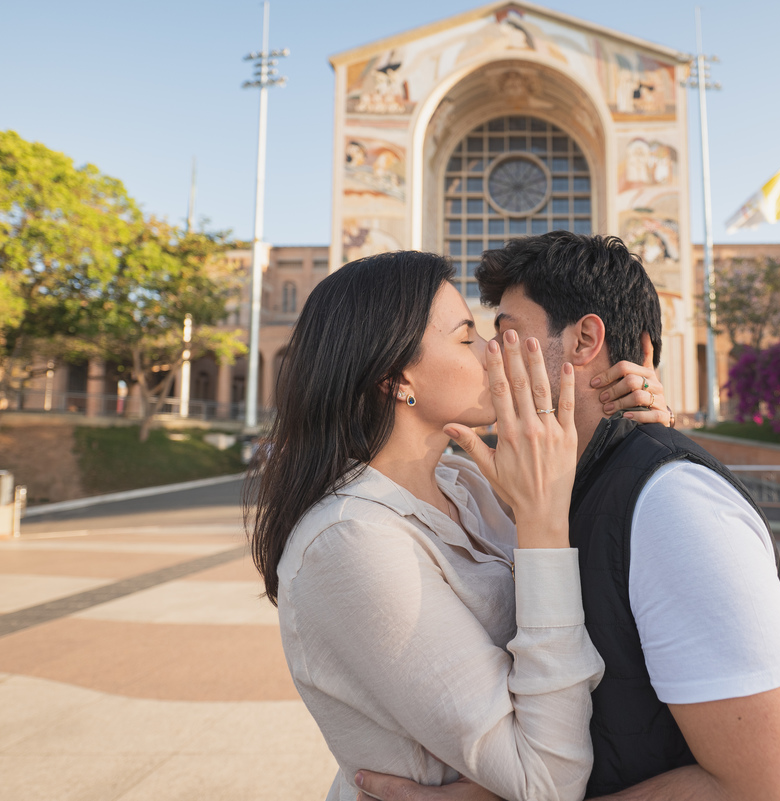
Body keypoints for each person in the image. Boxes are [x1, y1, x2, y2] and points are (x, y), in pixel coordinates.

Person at [356, 233, 780, 801]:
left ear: (584, 339)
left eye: (506, 334)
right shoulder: (547, 491)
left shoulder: (673, 506)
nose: (490, 354)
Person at [247, 249, 673, 801]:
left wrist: (635, 431)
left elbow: (592, 581)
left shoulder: (465, 486)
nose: (495, 350)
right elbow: (546, 781)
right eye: (467, 336)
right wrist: (540, 526)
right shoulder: (352, 540)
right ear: (396, 375)